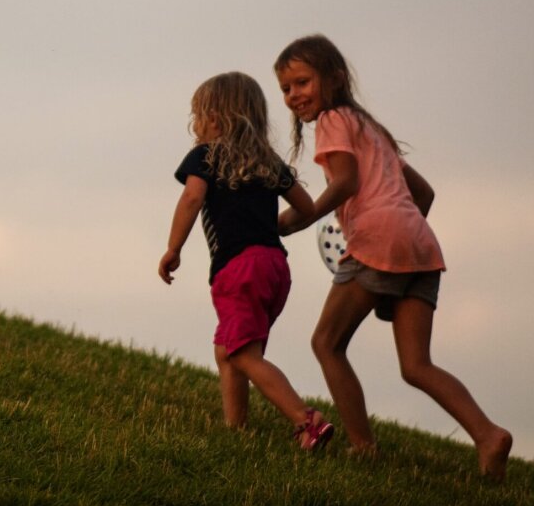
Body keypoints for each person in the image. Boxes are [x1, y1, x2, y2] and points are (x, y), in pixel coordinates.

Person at [274, 34, 512, 481]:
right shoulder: (371, 129)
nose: (294, 96)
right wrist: (400, 236)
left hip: (380, 240)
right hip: (421, 243)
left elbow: (343, 182)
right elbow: (424, 193)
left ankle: (363, 448)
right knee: (417, 365)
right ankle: (488, 434)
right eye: (286, 88)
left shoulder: (332, 120)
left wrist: (299, 218)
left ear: (336, 79)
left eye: (303, 82)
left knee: (326, 343)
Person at [158, 71, 334, 451]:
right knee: (228, 350)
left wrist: (174, 249)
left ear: (217, 119)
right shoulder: (268, 161)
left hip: (237, 269)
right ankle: (235, 430)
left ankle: (307, 421)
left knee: (243, 353)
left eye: (198, 117)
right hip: (274, 266)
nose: (196, 126)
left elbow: (191, 199)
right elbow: (307, 207)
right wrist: (274, 227)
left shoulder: (204, 156)